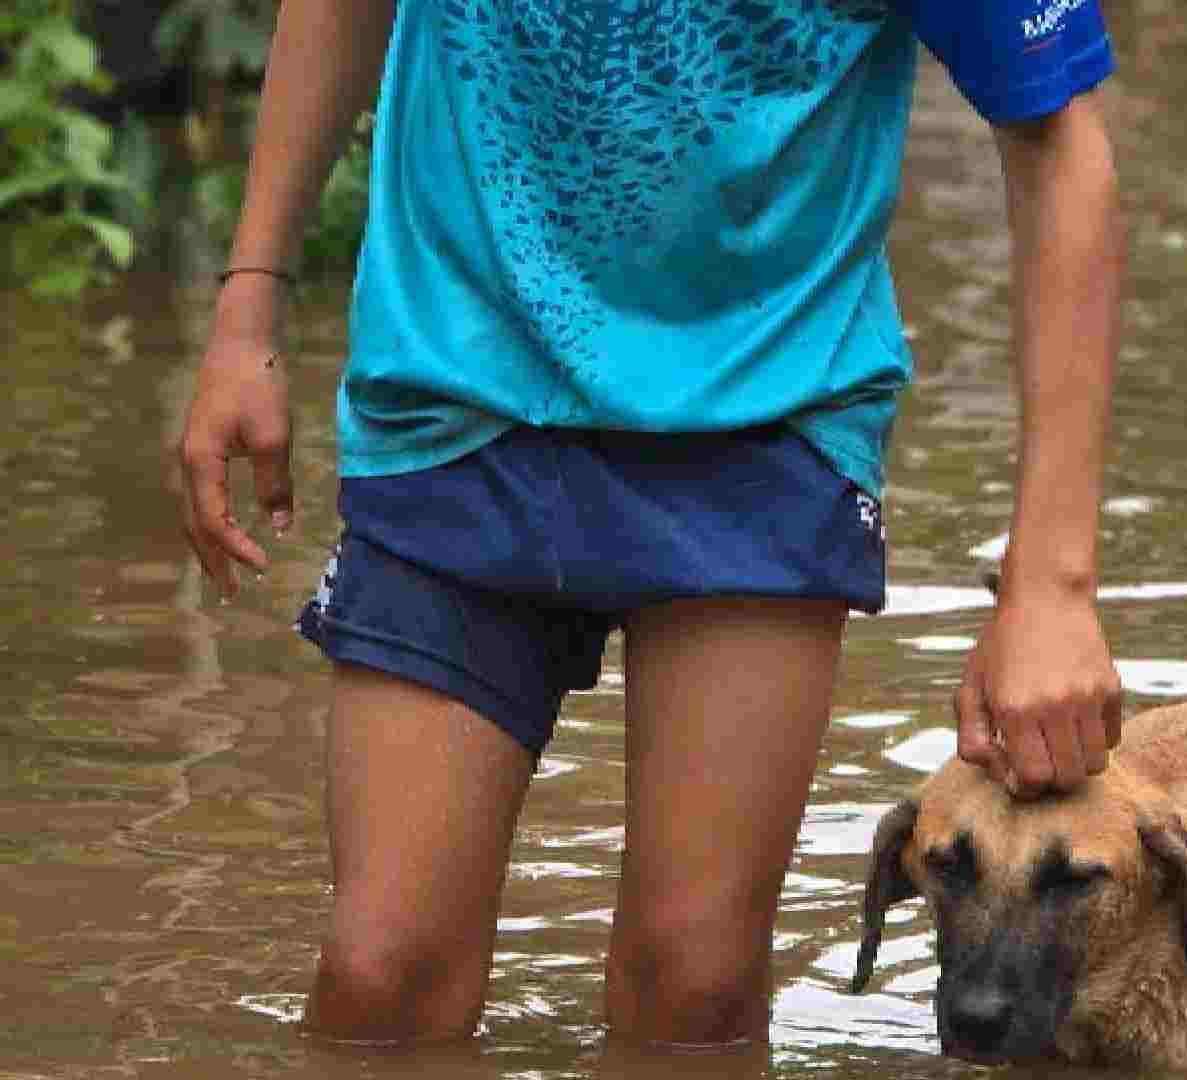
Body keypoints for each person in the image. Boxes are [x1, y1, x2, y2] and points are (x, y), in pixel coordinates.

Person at [176, 0, 1126, 1049]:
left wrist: (1051, 587)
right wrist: (248, 304)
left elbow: (1059, 145)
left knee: (696, 988)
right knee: (380, 980)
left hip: (766, 411)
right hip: (458, 376)